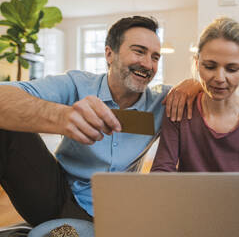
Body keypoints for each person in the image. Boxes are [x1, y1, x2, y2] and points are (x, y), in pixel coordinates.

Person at [0, 16, 201, 226]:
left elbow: (209, 96)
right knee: (6, 128)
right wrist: (60, 116)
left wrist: (194, 83)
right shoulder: (76, 84)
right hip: (55, 195)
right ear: (109, 54)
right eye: (139, 51)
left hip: (114, 209)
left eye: (155, 57)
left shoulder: (163, 102)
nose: (148, 64)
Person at [151, 17, 239, 173]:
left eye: (232, 69)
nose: (219, 78)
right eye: (210, 66)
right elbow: (162, 171)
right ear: (197, 63)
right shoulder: (180, 110)